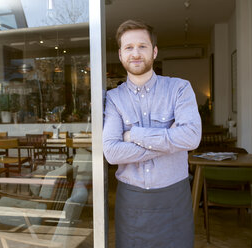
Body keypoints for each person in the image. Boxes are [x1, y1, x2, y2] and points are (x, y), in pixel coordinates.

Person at [103, 20, 201, 248]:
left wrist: (133, 135)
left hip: (174, 198)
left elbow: (191, 137)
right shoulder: (114, 98)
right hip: (132, 202)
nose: (135, 53)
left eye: (142, 46)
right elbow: (112, 153)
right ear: (120, 54)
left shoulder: (179, 89)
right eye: (128, 48)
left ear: (154, 51)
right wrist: (169, 140)